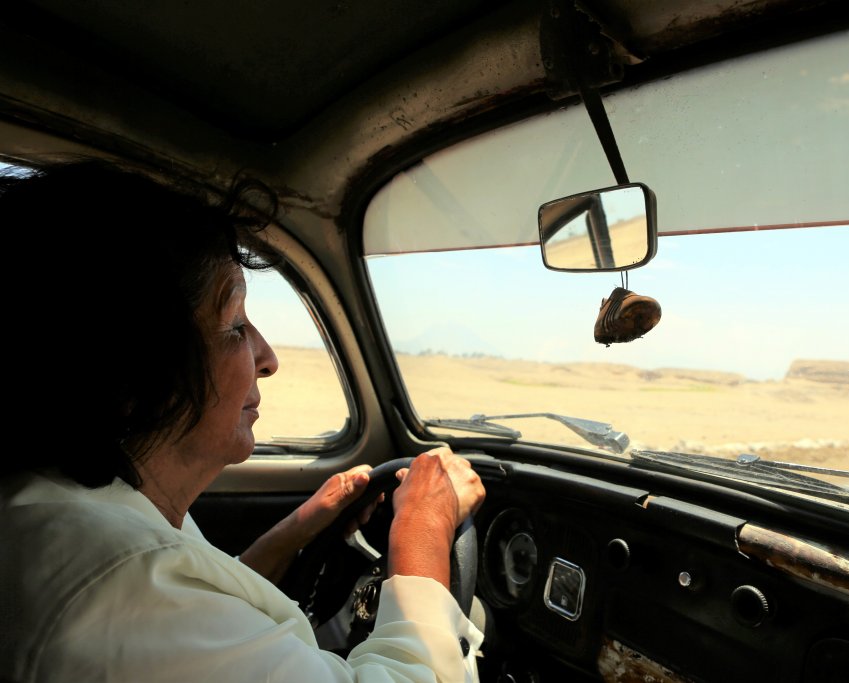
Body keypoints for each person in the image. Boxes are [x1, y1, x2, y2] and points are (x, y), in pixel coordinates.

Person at [0, 158, 486, 683]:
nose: (268, 356)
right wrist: (423, 531)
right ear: (128, 374)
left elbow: (209, 614)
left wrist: (299, 527)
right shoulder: (119, 590)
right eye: (234, 324)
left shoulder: (78, 511)